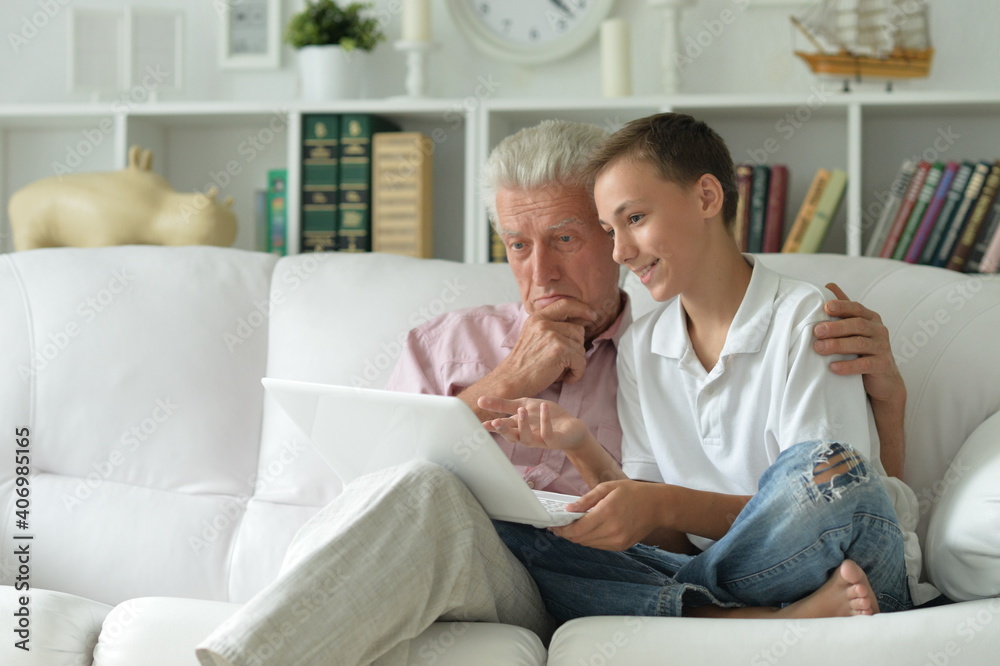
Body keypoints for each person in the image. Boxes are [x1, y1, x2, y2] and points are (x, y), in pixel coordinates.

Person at [196, 120, 912, 666]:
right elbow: (373, 498)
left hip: (586, 576)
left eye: (569, 238)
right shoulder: (446, 343)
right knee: (433, 492)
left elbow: (689, 515)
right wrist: (509, 381)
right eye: (516, 245)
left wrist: (889, 406)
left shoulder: (647, 342)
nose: (540, 271)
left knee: (809, 482)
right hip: (456, 558)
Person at [485, 113, 936, 623]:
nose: (620, 252)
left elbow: (823, 500)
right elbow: (668, 541)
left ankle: (695, 608)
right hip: (758, 578)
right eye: (610, 230)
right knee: (521, 542)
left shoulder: (806, 319)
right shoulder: (641, 348)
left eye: (634, 220)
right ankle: (754, 615)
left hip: (847, 566)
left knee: (826, 470)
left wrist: (661, 505)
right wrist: (585, 450)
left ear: (706, 197)